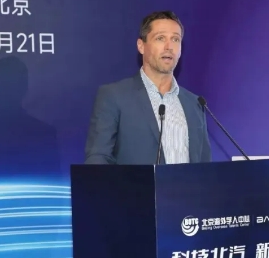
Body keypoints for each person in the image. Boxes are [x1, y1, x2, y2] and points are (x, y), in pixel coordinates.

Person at [84, 11, 212, 165]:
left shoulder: (195, 104)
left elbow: (205, 166)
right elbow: (98, 158)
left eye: (175, 39)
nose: (169, 47)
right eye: (160, 38)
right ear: (141, 46)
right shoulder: (114, 96)